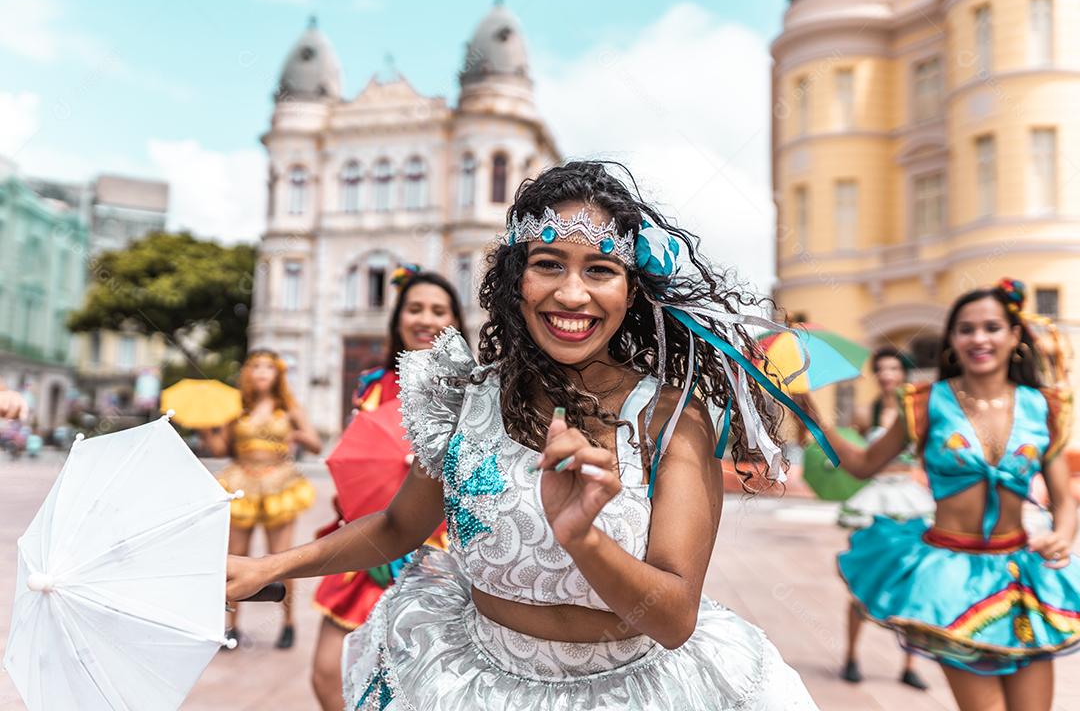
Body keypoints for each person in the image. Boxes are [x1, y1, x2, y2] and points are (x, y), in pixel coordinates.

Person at [227, 161, 823, 709]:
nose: (571, 293)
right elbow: (398, 527)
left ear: (631, 290)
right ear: (516, 280)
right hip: (468, 681)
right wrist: (268, 568)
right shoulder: (463, 396)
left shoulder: (669, 419)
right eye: (548, 265)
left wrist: (583, 538)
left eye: (600, 269)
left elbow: (672, 618)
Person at [798, 279, 1078, 711]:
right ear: (952, 339)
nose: (978, 338)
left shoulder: (1043, 407)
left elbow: (1064, 499)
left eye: (992, 327)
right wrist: (809, 408)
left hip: (1023, 576)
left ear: (1015, 335)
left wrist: (1062, 534)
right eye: (966, 329)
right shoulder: (925, 403)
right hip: (952, 577)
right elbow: (861, 465)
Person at [310, 267, 465, 711]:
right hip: (366, 541)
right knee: (328, 674)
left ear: (455, 320)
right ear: (398, 318)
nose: (425, 319)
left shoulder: (470, 387)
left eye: (439, 310)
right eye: (415, 308)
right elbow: (358, 457)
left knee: (419, 684)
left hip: (438, 553)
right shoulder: (372, 385)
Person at [202, 350, 321, 649]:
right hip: (241, 482)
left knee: (280, 559)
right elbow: (220, 449)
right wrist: (205, 428)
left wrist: (297, 436)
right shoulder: (236, 408)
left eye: (269, 366)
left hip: (279, 483)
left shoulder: (288, 407)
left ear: (278, 373)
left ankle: (288, 623)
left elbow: (316, 444)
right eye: (256, 366)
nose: (262, 372)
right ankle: (230, 626)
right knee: (234, 556)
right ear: (248, 373)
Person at [838, 348, 934, 689]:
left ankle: (910, 665)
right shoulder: (866, 413)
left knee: (914, 582)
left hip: (910, 500)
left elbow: (927, 456)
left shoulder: (918, 413)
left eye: (893, 368)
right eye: (880, 369)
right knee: (863, 578)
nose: (886, 374)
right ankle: (851, 656)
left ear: (904, 372)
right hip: (875, 499)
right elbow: (852, 453)